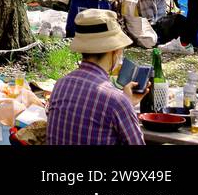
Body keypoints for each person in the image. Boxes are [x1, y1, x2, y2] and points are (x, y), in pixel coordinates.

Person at [47, 8, 147, 145]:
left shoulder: (60, 85)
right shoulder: (117, 101)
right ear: (115, 51)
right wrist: (125, 105)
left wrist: (127, 104)